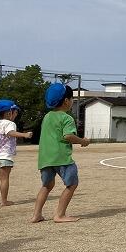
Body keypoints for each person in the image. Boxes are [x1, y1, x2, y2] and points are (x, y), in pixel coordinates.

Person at [32, 83, 90, 223]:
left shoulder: (47, 117)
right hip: (62, 157)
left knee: (46, 186)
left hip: (45, 158)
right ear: (66, 101)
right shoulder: (67, 118)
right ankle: (60, 215)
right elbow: (68, 136)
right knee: (71, 184)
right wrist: (82, 141)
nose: (72, 102)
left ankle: (36, 215)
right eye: (72, 99)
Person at [0, 99, 32, 206]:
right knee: (4, 179)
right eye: (15, 112)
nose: (16, 114)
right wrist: (24, 135)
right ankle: (4, 201)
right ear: (9, 113)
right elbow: (10, 133)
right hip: (4, 156)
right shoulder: (10, 123)